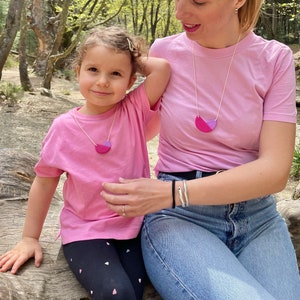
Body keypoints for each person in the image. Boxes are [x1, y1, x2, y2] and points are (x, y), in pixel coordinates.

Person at [101, 1, 300, 299]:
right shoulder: (164, 54)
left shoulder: (275, 59)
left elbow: (274, 171)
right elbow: (133, 131)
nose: (180, 12)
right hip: (180, 218)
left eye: (198, 1)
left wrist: (172, 193)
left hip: (258, 219)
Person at [0, 26, 170, 300]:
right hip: (85, 232)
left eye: (115, 73)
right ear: (78, 71)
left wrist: (128, 54)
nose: (103, 81)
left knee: (137, 292)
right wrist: (30, 238)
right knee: (117, 293)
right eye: (93, 69)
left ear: (130, 80)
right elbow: (44, 183)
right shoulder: (63, 128)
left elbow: (161, 69)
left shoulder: (133, 111)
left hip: (134, 228)